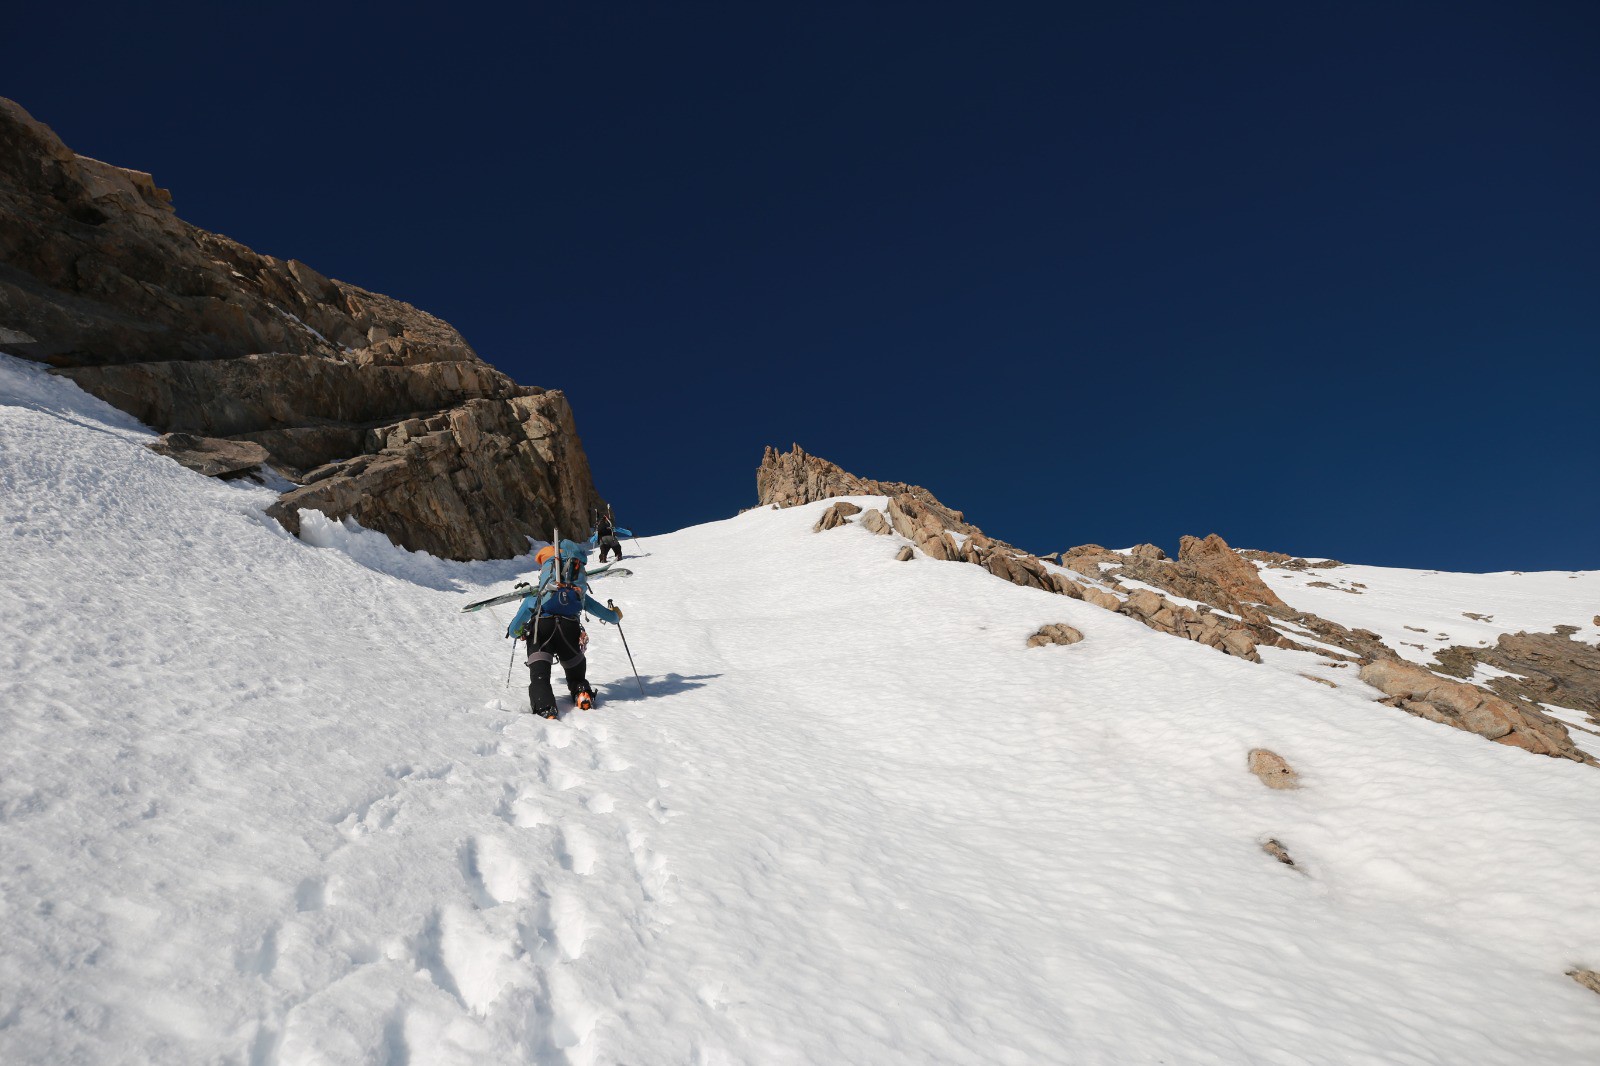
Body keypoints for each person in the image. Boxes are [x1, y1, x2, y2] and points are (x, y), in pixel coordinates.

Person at [506, 540, 623, 718]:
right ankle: (581, 691)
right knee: (576, 674)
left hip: (541, 630)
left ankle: (546, 707)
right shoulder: (578, 594)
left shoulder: (539, 596)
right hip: (570, 629)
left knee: (540, 676)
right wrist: (616, 614)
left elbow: (515, 628)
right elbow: (611, 617)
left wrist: (516, 632)